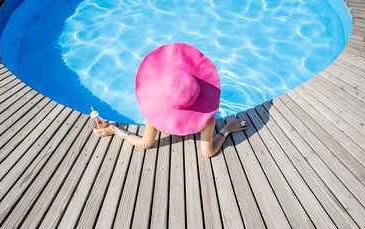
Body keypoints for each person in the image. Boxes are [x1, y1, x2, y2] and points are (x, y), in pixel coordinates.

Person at [93, 43, 249, 158]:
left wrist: (115, 130)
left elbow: (146, 144)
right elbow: (207, 153)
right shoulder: (207, 118)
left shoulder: (155, 115)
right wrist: (227, 128)